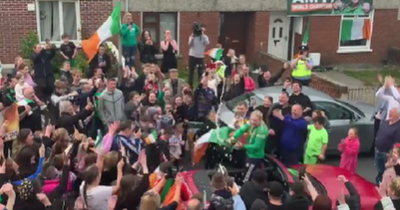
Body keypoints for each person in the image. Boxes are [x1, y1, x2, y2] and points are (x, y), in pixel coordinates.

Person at [228, 110, 269, 182]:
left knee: (247, 175)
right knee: (246, 170)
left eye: (255, 120)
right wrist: (233, 138)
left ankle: (245, 187)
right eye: (251, 120)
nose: (252, 122)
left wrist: (243, 146)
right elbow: (241, 130)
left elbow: (257, 146)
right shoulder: (250, 123)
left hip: (255, 156)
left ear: (260, 120)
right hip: (248, 153)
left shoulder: (262, 131)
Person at [374, 107, 400, 184]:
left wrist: (392, 155)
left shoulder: (398, 126)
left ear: (398, 115)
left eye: (392, 112)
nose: (389, 114)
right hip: (378, 151)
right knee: (379, 170)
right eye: (390, 112)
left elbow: (397, 143)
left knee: (386, 172)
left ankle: (384, 187)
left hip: (387, 154)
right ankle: (379, 183)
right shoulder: (385, 122)